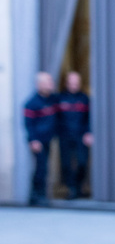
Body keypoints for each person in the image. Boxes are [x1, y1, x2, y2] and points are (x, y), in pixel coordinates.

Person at [23, 71, 58, 205]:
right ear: (39, 84)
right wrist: (33, 140)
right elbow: (29, 124)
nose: (51, 84)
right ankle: (36, 196)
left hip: (48, 139)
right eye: (48, 82)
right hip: (38, 141)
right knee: (40, 168)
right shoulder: (32, 103)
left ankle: (39, 195)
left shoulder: (52, 100)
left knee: (44, 168)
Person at [57, 71, 92, 199]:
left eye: (76, 83)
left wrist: (89, 132)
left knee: (82, 162)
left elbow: (90, 118)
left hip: (80, 135)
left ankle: (79, 187)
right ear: (67, 83)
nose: (74, 86)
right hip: (65, 136)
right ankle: (71, 188)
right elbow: (55, 117)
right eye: (72, 83)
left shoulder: (84, 99)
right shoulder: (60, 98)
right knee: (66, 164)